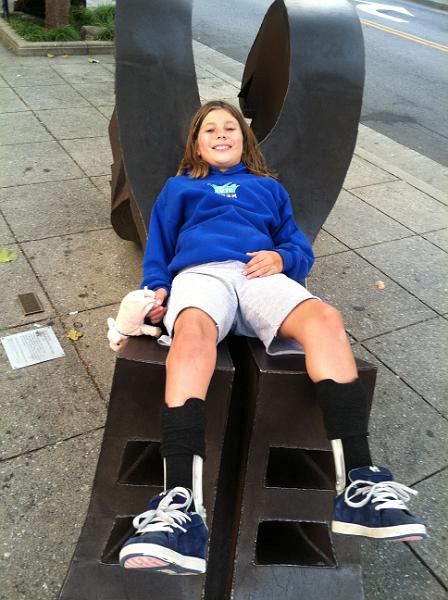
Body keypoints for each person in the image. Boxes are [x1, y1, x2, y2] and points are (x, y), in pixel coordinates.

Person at [118, 100, 426, 574]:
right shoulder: (179, 188)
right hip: (202, 275)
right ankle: (181, 506)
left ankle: (360, 484)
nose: (221, 135)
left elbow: (297, 246)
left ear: (244, 140)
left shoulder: (268, 188)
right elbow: (159, 251)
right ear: (196, 144)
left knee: (325, 319)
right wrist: (156, 292)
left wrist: (283, 260)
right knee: (193, 335)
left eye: (230, 128)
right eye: (210, 130)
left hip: (259, 275)